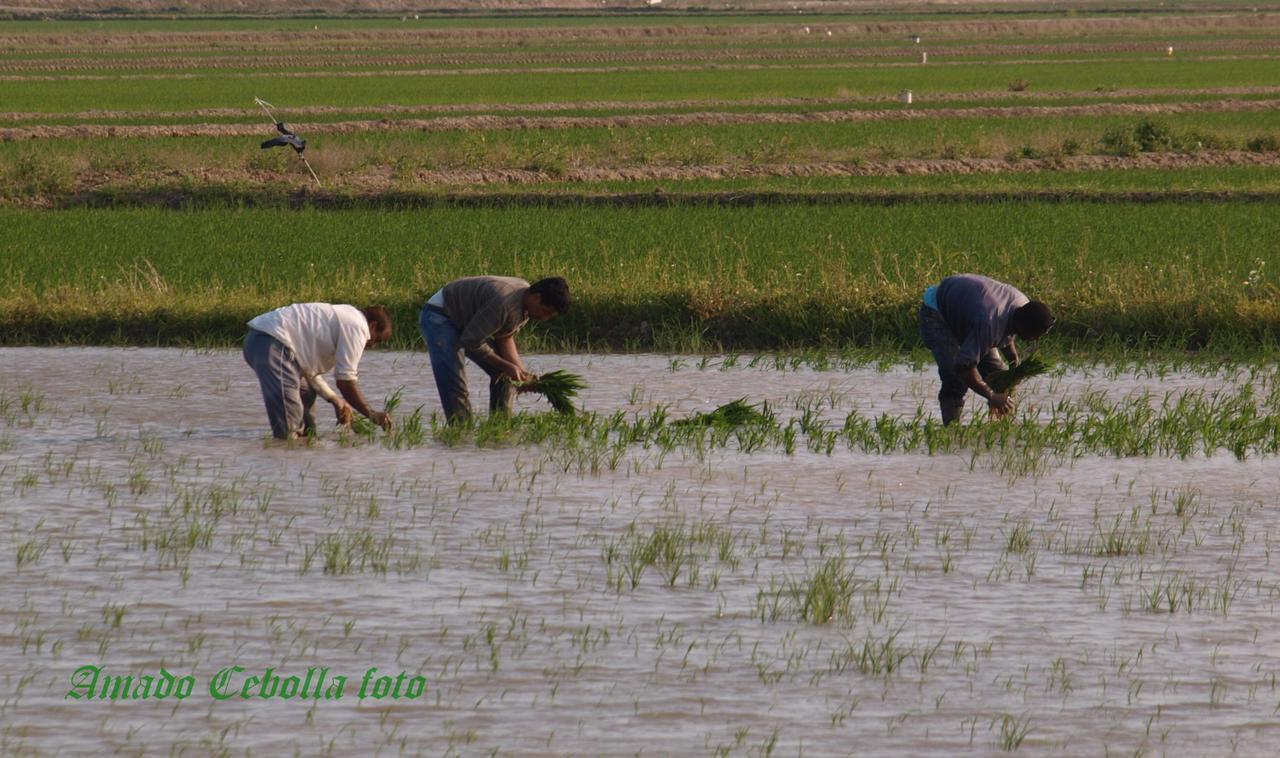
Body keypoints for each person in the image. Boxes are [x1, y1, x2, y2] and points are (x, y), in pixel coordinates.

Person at [419, 276, 570, 423]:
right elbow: (471, 341)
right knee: (454, 382)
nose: (545, 318)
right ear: (536, 297)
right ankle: (461, 434)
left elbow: (505, 338)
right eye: (545, 312)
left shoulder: (524, 304)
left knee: (506, 376)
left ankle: (500, 427)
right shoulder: (504, 303)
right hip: (441, 315)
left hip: (468, 322)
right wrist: (506, 366)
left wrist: (521, 374)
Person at [243, 302, 394, 440]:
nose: (372, 345)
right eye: (377, 340)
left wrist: (336, 401)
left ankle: (307, 442)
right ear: (372, 326)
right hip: (273, 342)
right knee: (289, 427)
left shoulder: (346, 318)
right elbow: (345, 381)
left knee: (306, 393)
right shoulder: (358, 326)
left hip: (265, 341)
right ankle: (288, 455)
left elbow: (308, 372)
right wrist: (371, 414)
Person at [918, 274, 1054, 425]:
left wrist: (1013, 360)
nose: (1036, 339)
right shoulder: (989, 324)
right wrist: (991, 396)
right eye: (1035, 335)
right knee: (955, 380)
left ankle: (999, 429)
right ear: (1024, 326)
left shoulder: (1022, 306)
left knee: (998, 376)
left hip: (970, 311)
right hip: (937, 312)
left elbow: (1007, 328)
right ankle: (951, 433)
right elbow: (963, 365)